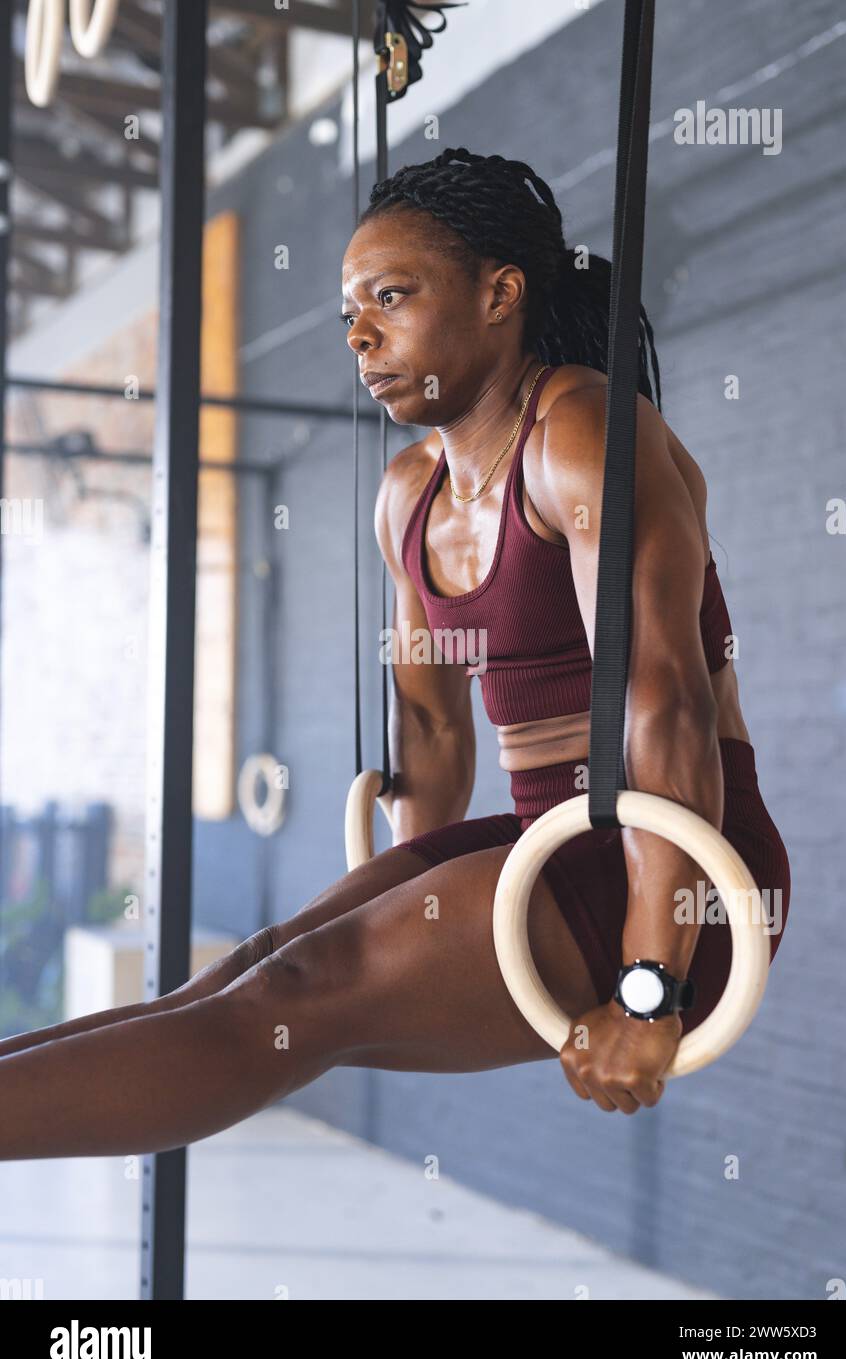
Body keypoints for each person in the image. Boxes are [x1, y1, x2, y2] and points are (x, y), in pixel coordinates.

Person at [0, 149, 790, 1159]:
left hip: (682, 879)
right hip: (546, 841)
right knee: (256, 968)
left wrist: (649, 987)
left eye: (391, 296)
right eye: (347, 313)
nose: (361, 332)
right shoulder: (408, 494)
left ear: (499, 294)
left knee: (294, 998)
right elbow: (427, 724)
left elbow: (663, 706)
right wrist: (413, 891)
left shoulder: (582, 433)